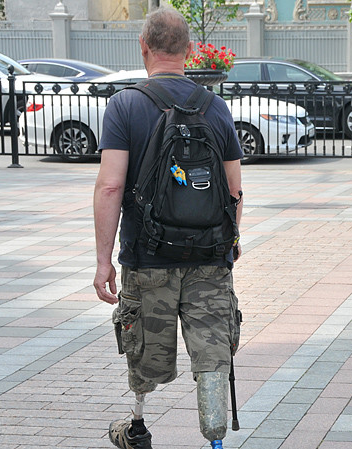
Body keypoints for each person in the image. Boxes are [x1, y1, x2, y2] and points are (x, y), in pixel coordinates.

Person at [93, 7, 243, 449]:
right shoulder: (216, 108)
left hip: (148, 257)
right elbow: (235, 190)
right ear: (189, 50)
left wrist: (103, 261)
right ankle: (215, 441)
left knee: (145, 352)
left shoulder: (125, 105)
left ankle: (137, 427)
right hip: (208, 257)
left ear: (143, 47)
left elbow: (110, 187)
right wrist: (231, 242)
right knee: (212, 354)